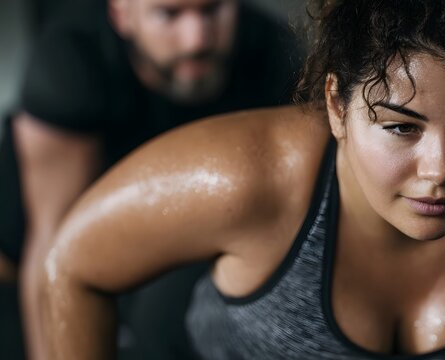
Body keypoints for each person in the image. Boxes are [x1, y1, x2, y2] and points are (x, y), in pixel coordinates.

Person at [39, 0, 445, 359]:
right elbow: (71, 264)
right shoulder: (245, 178)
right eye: (402, 128)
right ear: (336, 106)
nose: (442, 171)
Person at [0, 0, 301, 358]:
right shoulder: (73, 61)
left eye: (211, 11)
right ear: (122, 15)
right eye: (169, 15)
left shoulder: (272, 50)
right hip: (29, 258)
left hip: (182, 247)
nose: (196, 40)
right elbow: (51, 244)